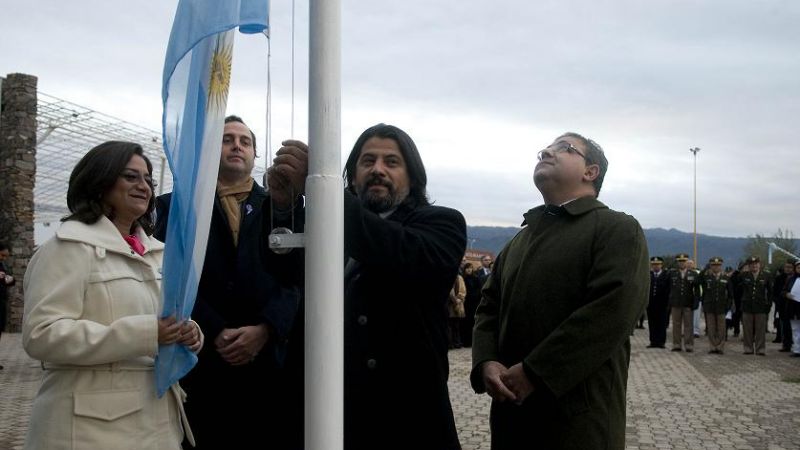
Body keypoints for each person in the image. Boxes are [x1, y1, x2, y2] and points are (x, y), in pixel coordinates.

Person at [271, 123, 466, 449]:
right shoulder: (327, 221)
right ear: (352, 174)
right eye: (367, 161)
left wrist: (323, 191)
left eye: (391, 162)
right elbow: (281, 273)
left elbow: (394, 249)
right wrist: (283, 205)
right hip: (329, 415)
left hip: (404, 421)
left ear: (413, 176)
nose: (378, 170)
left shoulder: (442, 223)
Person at [471, 132, 649, 450]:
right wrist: (487, 361)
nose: (546, 152)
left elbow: (612, 311)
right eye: (545, 148)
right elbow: (489, 305)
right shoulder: (518, 241)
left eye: (563, 148)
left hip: (577, 422)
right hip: (512, 417)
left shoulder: (616, 228)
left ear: (590, 172)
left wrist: (535, 373)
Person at [22, 141, 202, 449]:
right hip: (88, 430)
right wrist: (146, 333)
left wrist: (189, 331)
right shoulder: (67, 248)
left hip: (157, 423)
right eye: (131, 176)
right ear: (100, 181)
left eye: (148, 179)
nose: (143, 186)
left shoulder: (159, 254)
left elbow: (166, 318)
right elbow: (41, 334)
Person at [154, 116, 304, 449]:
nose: (237, 145)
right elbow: (166, 275)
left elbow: (296, 280)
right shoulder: (177, 207)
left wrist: (266, 328)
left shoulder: (282, 207)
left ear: (254, 155)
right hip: (202, 361)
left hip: (268, 365)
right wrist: (214, 328)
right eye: (226, 139)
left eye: (245, 141)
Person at [698, 257, 733, 354]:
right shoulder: (706, 277)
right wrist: (704, 270)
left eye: (718, 265)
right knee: (711, 327)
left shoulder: (725, 278)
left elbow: (730, 294)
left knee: (721, 328)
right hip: (709, 306)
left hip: (721, 306)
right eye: (713, 265)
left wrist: (728, 306)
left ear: (721, 266)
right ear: (710, 266)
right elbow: (697, 281)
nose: (716, 267)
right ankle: (713, 346)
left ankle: (720, 347)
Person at [739, 256, 773, 355]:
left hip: (761, 306)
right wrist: (742, 270)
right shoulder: (744, 275)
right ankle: (748, 348)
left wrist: (769, 304)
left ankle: (760, 349)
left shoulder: (766, 276)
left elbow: (770, 292)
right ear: (748, 266)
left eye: (756, 264)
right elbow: (734, 284)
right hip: (747, 306)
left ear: (759, 264)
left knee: (760, 329)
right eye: (751, 264)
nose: (754, 266)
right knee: (747, 329)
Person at [667, 253, 700, 352]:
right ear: (677, 262)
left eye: (684, 261)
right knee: (676, 324)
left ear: (687, 262)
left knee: (688, 325)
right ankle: (676, 344)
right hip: (675, 303)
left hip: (688, 303)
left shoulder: (693, 274)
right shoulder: (672, 274)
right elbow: (668, 288)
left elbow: (697, 289)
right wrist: (669, 301)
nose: (682, 263)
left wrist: (696, 301)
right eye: (680, 262)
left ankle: (689, 344)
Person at [646, 256, 670, 349]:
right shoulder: (649, 275)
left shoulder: (666, 275)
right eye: (654, 265)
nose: (656, 266)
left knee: (662, 323)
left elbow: (668, 289)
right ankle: (653, 341)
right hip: (651, 303)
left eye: (657, 264)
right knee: (652, 323)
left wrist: (668, 303)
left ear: (661, 265)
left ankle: (661, 342)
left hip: (662, 304)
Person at [0, 241, 16, 371]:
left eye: (6, 256)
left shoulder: (2, 265)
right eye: (2, 255)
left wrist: (9, 279)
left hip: (2, 301)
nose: (4, 258)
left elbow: (10, 280)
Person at [461, 262, 482, 347]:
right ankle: (466, 341)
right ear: (464, 269)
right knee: (466, 323)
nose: (469, 270)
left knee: (474, 322)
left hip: (474, 303)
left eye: (470, 268)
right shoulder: (463, 279)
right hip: (466, 304)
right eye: (467, 268)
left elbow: (479, 289)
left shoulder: (476, 278)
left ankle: (474, 341)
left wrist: (475, 296)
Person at [448, 272, 467, 348]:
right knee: (449, 325)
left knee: (456, 325)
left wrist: (459, 299)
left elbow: (463, 290)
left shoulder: (459, 278)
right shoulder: (447, 275)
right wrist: (454, 300)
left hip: (457, 305)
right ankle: (450, 343)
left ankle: (457, 342)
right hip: (448, 304)